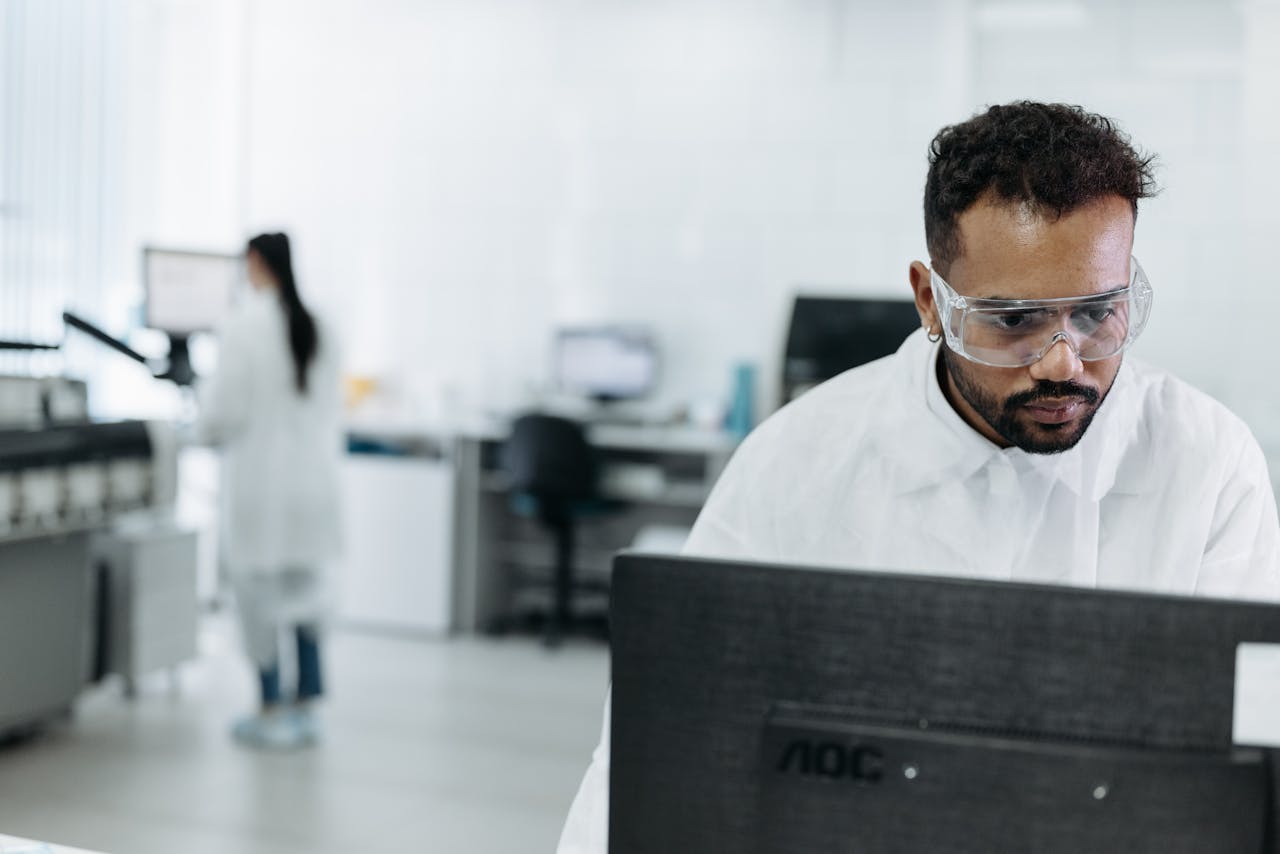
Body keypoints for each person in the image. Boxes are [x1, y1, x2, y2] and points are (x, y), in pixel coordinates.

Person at [556, 101, 1280, 852]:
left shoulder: (1207, 463)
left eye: (1098, 313)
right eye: (1013, 321)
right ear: (931, 299)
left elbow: (1249, 760)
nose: (1065, 362)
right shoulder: (798, 461)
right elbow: (666, 738)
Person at [197, 232, 343, 750]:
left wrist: (199, 419)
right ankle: (307, 705)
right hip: (313, 487)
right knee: (308, 598)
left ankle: (270, 705)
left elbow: (222, 413)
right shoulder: (322, 325)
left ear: (255, 262)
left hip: (263, 490)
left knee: (258, 601)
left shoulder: (244, 326)